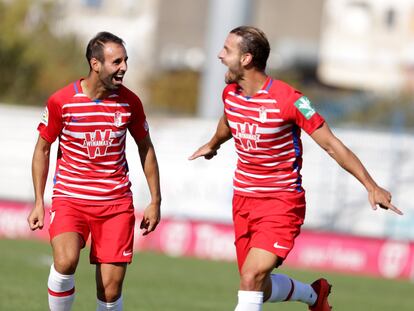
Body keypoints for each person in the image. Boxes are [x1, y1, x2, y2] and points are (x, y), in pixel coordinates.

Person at [189, 26, 402, 311]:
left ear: (246, 59)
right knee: (256, 286)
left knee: (251, 277)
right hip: (243, 201)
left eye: (227, 50)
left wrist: (371, 185)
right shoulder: (231, 94)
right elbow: (228, 121)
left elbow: (331, 144)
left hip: (281, 203)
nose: (219, 55)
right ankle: (316, 296)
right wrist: (214, 143)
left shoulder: (290, 99)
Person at [27, 31, 161, 311]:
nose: (123, 67)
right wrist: (39, 201)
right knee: (65, 262)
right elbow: (42, 149)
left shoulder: (130, 103)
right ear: (95, 64)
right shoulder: (62, 101)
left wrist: (155, 200)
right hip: (70, 199)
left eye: (125, 61)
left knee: (110, 293)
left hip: (115, 205)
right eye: (117, 61)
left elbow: (145, 148)